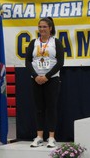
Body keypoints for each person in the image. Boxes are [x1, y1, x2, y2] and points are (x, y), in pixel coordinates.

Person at [25, 17, 64, 147]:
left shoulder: (56, 42)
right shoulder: (33, 43)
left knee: (51, 108)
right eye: (40, 27)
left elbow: (60, 62)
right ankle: (39, 136)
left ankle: (51, 137)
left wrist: (47, 76)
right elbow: (28, 62)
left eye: (44, 27)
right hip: (36, 79)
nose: (42, 29)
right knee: (39, 108)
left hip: (51, 79)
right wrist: (36, 76)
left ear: (50, 28)